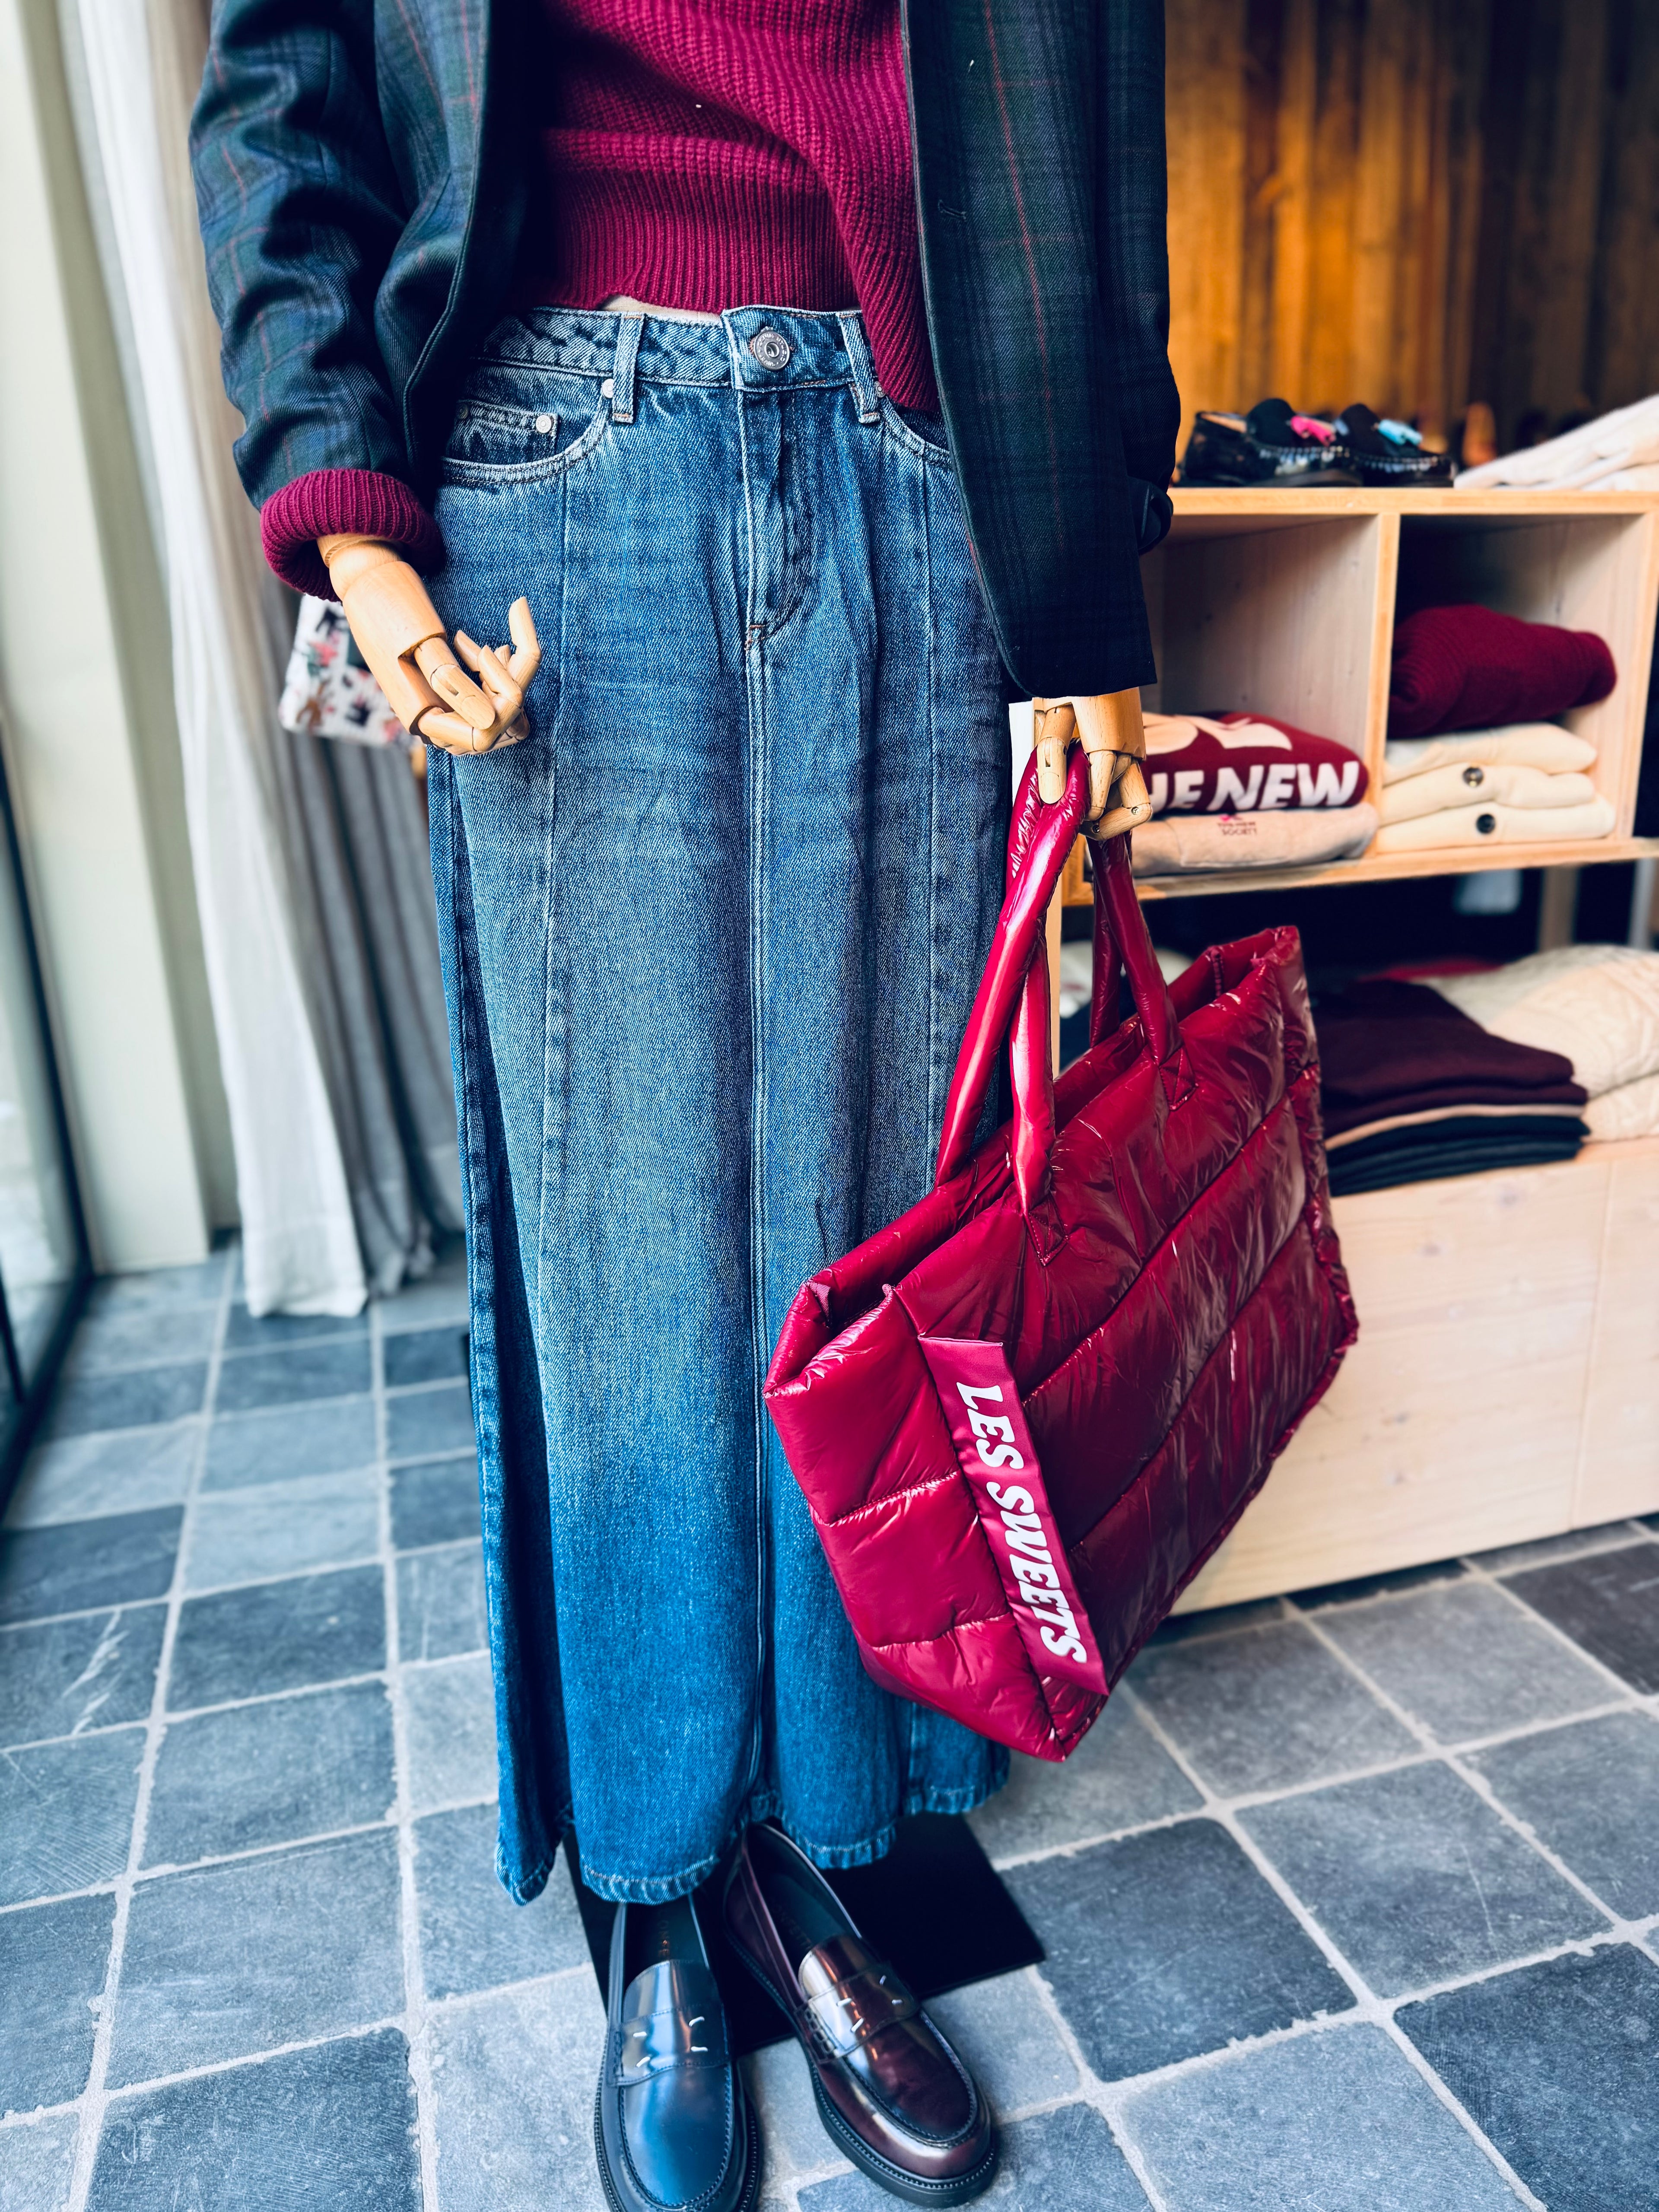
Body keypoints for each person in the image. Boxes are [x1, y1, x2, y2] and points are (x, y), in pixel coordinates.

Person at [191, 5, 1177, 2204]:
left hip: (936, 456)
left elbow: (1099, 83)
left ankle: (815, 1864)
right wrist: (349, 515)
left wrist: (1095, 558)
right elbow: (282, 80)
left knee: (861, 1256)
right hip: (559, 441)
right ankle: (655, 1874)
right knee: (632, 1257)